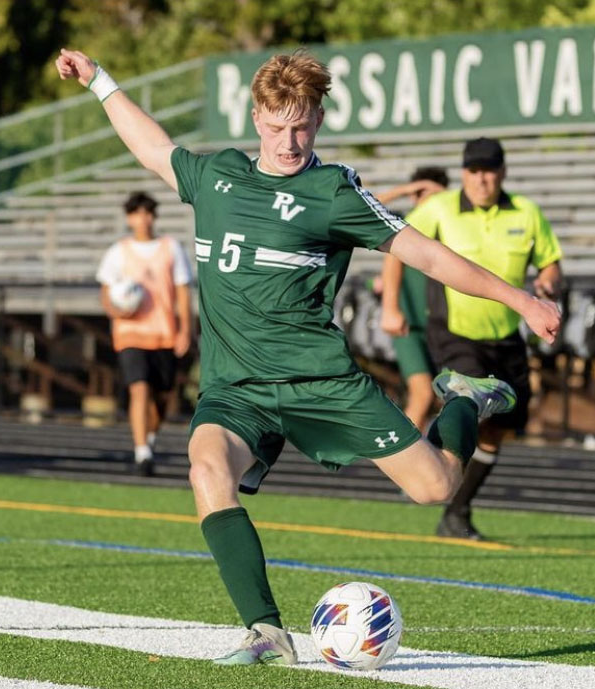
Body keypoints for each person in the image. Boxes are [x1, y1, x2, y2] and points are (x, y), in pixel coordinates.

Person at [56, 49, 560, 665]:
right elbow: (152, 146)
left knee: (437, 488)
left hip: (321, 383)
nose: (288, 141)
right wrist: (100, 80)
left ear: (318, 119)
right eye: (275, 125)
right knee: (206, 469)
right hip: (235, 388)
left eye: (301, 125)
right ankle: (265, 631)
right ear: (256, 115)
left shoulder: (332, 193)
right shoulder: (218, 177)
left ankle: (461, 399)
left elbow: (427, 254)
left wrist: (521, 299)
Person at [404, 138, 563, 540]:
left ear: (503, 172)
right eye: (474, 170)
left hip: (507, 335)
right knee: (471, 398)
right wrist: (391, 304)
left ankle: (456, 512)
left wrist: (547, 282)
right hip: (455, 330)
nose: (482, 178)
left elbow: (550, 262)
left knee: (499, 427)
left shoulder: (527, 212)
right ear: (463, 173)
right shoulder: (438, 209)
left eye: (489, 170)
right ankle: (431, 470)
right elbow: (395, 246)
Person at [96, 191, 192, 476]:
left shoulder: (171, 248)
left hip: (164, 333)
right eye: (137, 213)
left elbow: (183, 292)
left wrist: (186, 330)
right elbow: (105, 291)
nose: (143, 219)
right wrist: (115, 311)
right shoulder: (118, 251)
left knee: (162, 396)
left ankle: (148, 438)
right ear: (129, 218)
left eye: (148, 213)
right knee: (139, 388)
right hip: (131, 333)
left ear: (154, 216)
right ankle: (142, 454)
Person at [378, 167, 449, 430]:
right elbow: (363, 202)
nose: (425, 199)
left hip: (444, 326)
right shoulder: (402, 223)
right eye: (419, 193)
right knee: (422, 394)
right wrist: (405, 190)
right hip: (409, 326)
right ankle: (406, 463)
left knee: (448, 399)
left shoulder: (450, 224)